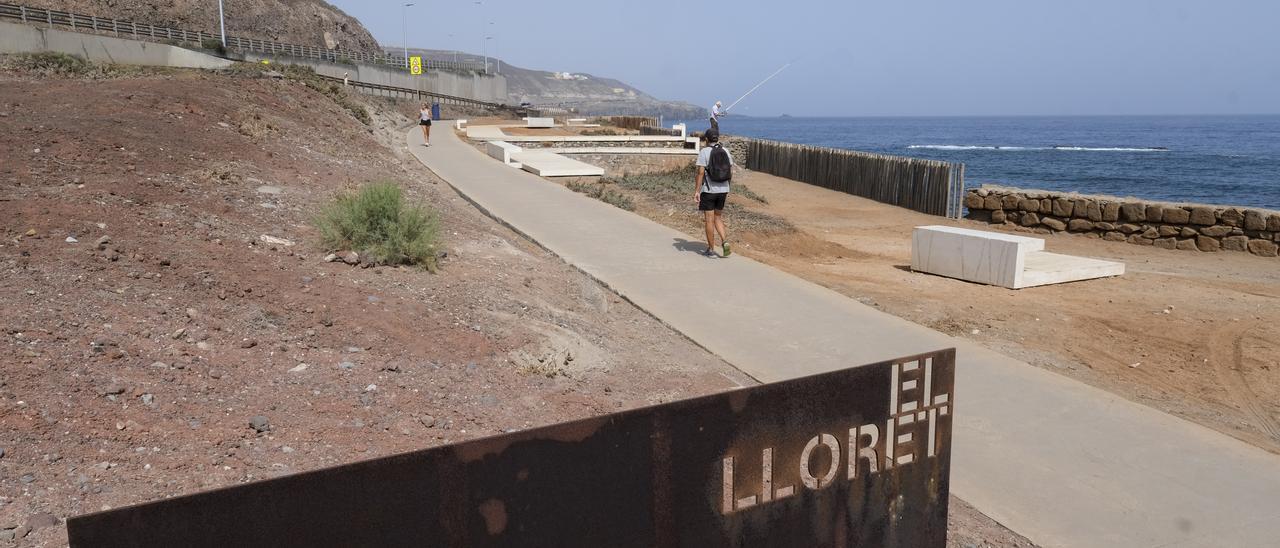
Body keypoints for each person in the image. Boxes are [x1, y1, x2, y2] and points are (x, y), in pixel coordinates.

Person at [693, 129, 734, 258]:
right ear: (717, 139)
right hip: (723, 190)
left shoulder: (704, 152)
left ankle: (711, 249)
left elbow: (700, 173)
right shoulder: (725, 151)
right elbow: (730, 171)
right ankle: (724, 241)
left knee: (709, 220)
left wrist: (697, 191)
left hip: (709, 191)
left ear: (706, 139)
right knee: (718, 218)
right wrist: (727, 187)